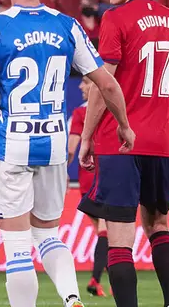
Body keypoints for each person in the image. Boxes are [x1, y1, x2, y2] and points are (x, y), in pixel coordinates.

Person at [0, 0, 134, 307]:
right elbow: (108, 83)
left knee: (18, 247)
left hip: (11, 145)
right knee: (49, 235)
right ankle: (71, 297)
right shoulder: (67, 25)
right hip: (53, 145)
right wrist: (123, 125)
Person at [77, 0, 169, 307]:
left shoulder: (115, 19)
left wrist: (85, 138)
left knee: (119, 239)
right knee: (159, 226)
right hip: (161, 143)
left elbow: (105, 84)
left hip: (120, 143)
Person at [67, 76, 109, 298]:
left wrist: (62, 170)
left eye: (85, 81)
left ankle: (109, 280)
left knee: (105, 233)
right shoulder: (111, 108)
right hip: (106, 176)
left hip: (87, 180)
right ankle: (95, 279)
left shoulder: (81, 114)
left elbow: (71, 148)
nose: (81, 86)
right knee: (106, 230)